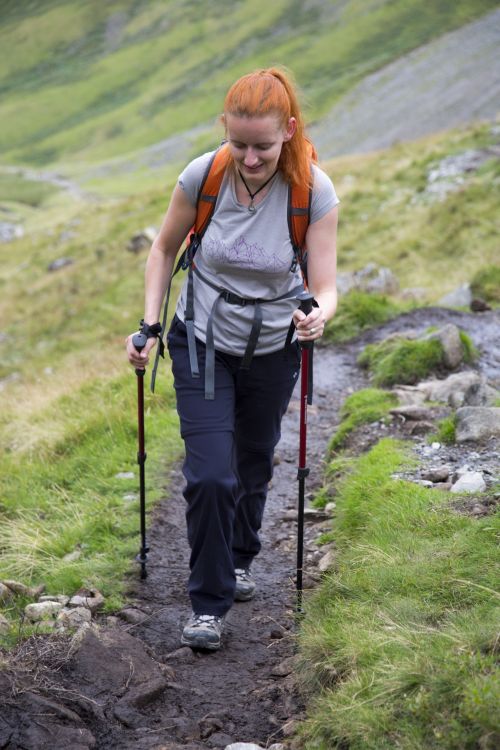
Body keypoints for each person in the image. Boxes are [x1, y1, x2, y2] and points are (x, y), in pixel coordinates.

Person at [126, 67, 339, 651]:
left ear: (289, 131)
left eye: (263, 146)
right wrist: (148, 325)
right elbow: (164, 248)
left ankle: (242, 556)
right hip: (200, 341)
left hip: (273, 349)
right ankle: (208, 603)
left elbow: (325, 282)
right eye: (238, 143)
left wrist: (319, 312)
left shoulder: (311, 191)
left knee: (252, 463)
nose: (249, 158)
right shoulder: (204, 175)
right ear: (226, 131)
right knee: (211, 475)